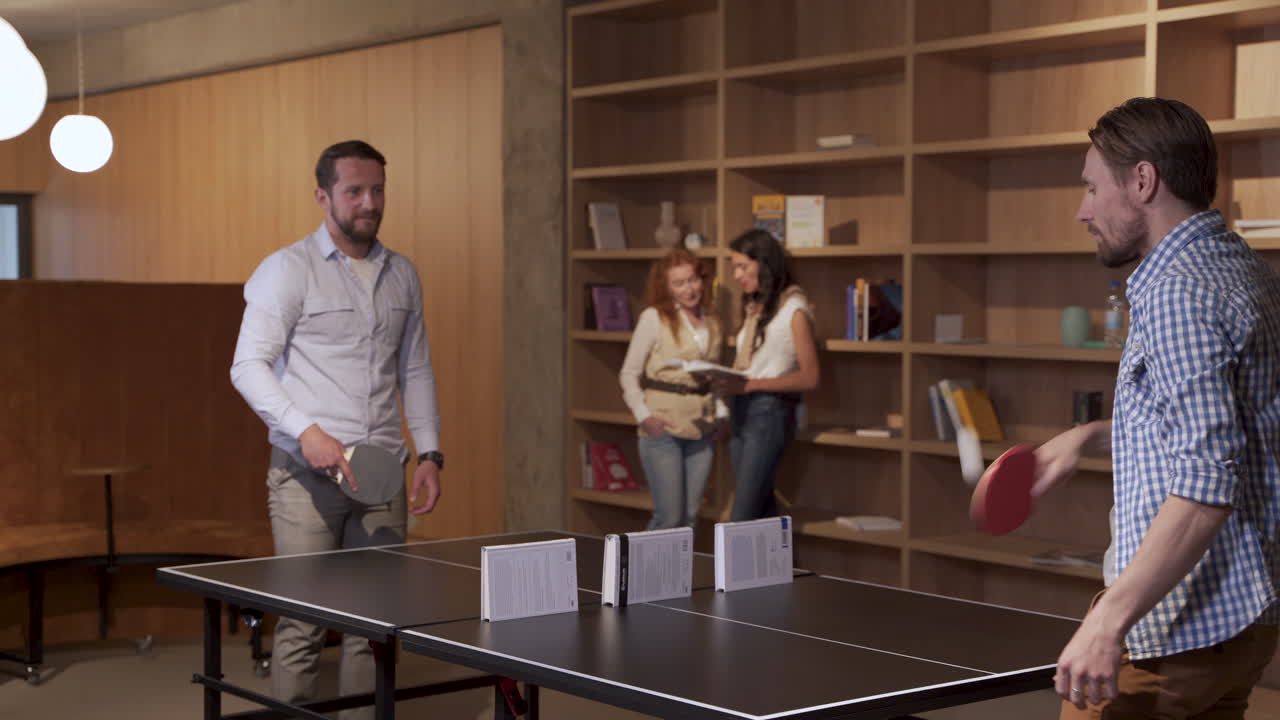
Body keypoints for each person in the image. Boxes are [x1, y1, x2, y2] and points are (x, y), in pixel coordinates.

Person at [1032, 97, 1280, 718]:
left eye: (1092, 188)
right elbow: (1227, 426)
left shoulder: (1176, 293)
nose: (1082, 211)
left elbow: (1204, 483)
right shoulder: (1245, 269)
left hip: (1176, 628)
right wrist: (1096, 433)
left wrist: (1107, 621)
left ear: (1142, 181)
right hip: (1246, 619)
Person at [230, 140, 444, 719]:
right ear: (323, 195)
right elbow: (247, 366)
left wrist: (430, 452)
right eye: (354, 191)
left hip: (382, 475)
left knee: (371, 626)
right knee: (302, 621)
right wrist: (305, 431)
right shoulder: (286, 270)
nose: (368, 202)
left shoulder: (403, 274)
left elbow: (415, 367)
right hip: (306, 478)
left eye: (377, 190)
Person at [713, 229, 819, 521]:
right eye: (735, 266)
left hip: (768, 411)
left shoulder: (794, 309)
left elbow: (810, 377)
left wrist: (751, 385)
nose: (736, 275)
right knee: (760, 510)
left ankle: (735, 568)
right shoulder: (754, 309)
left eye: (742, 266)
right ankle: (777, 567)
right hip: (741, 409)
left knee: (742, 515)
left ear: (764, 263)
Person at [619, 248, 726, 529]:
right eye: (678, 283)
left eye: (692, 280)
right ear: (666, 288)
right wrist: (644, 416)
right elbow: (629, 373)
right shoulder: (654, 318)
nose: (689, 289)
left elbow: (716, 377)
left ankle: (678, 574)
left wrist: (721, 413)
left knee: (690, 517)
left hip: (701, 427)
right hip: (663, 426)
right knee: (669, 517)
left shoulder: (713, 321)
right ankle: (641, 573)